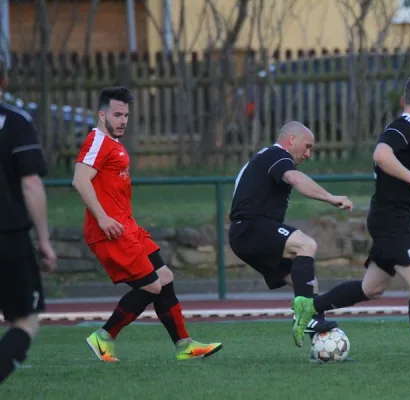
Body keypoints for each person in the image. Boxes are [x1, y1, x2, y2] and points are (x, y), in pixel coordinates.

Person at [291, 74, 410, 371]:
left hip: (389, 218)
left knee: (371, 288)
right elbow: (380, 155)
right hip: (392, 222)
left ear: (403, 100)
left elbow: (393, 172)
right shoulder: (404, 127)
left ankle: (310, 306)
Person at [73, 86, 222, 362]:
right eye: (117, 114)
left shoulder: (113, 143)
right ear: (101, 115)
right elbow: (80, 180)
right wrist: (103, 218)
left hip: (128, 226)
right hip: (111, 230)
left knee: (164, 277)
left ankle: (184, 345)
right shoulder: (97, 141)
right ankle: (104, 337)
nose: (123, 120)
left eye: (126, 115)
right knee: (153, 285)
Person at [228, 121, 352, 341]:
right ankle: (307, 318)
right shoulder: (278, 155)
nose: (308, 154)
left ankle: (319, 339)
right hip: (251, 228)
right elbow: (295, 179)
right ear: (291, 140)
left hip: (245, 233)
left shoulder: (267, 157)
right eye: (307, 146)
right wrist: (330, 198)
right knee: (307, 245)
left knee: (308, 281)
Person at [0, 54, 57, 384]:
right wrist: (45, 241)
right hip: (8, 236)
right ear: (4, 82)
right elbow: (31, 183)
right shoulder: (16, 123)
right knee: (24, 321)